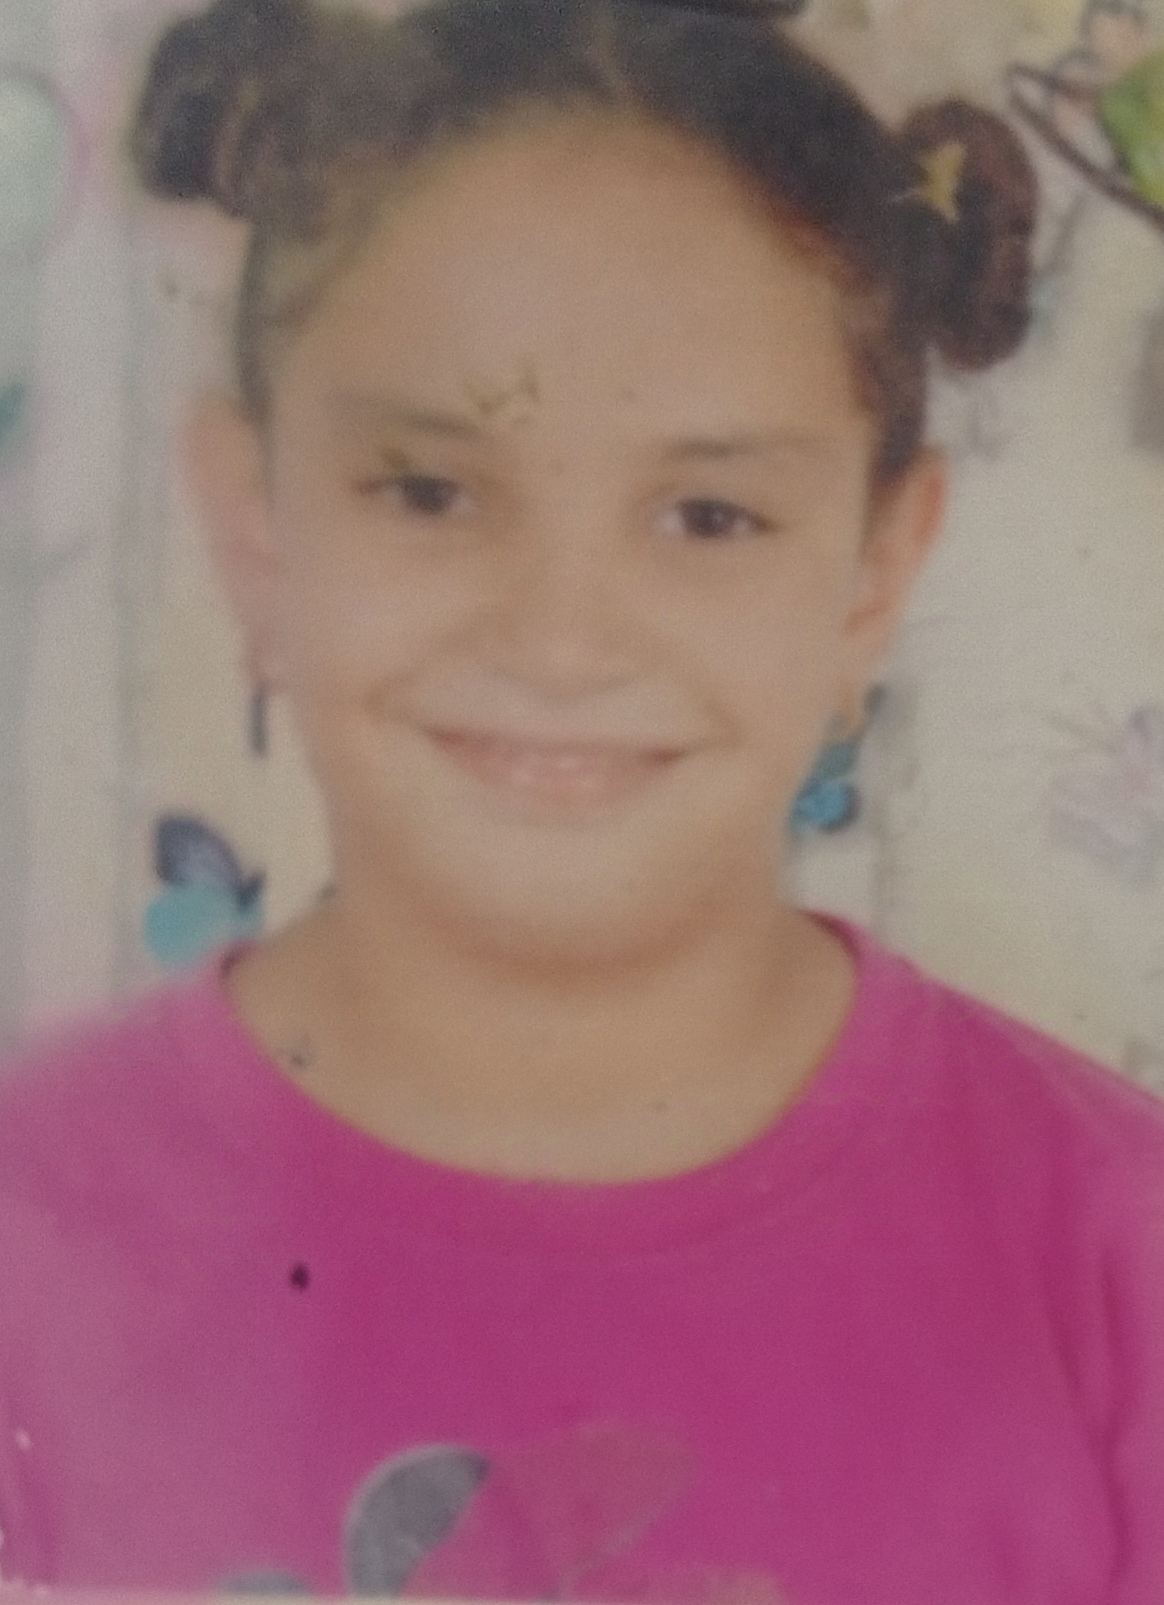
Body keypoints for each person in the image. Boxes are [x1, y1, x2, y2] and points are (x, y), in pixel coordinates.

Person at [1, 0, 1162, 1599]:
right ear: (255, 523)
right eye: (432, 491)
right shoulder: (28, 1236)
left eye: (708, 514)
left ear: (877, 571)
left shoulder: (1117, 1258)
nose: (559, 642)